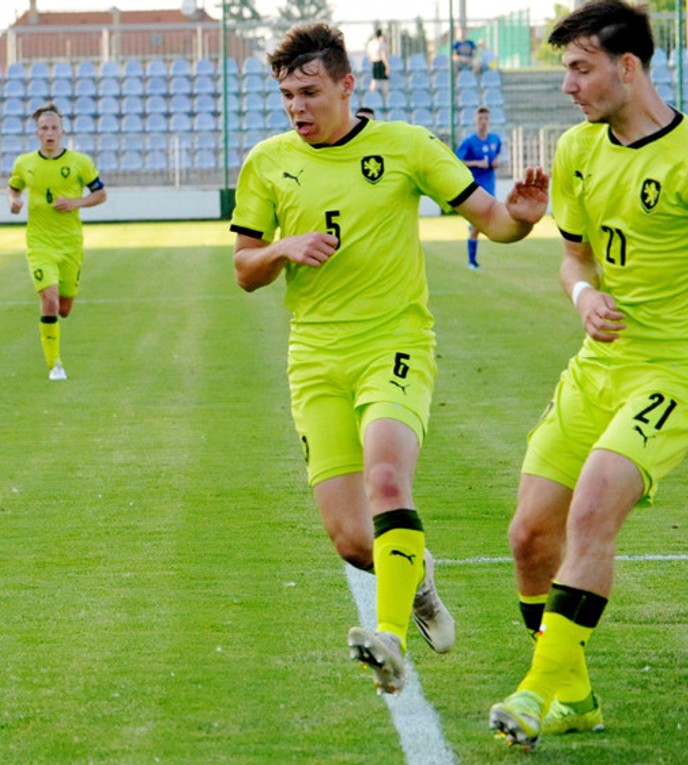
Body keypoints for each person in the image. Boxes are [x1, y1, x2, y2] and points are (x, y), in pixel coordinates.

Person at [231, 22, 549, 696]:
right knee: (351, 539)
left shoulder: (407, 146)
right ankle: (420, 582)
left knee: (386, 484)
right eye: (287, 95)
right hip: (315, 356)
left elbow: (491, 218)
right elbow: (244, 269)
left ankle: (390, 640)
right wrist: (282, 249)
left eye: (309, 92)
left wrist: (521, 219)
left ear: (348, 85)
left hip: (394, 344)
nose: (297, 107)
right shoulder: (266, 161)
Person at [489, 0, 688, 749]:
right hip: (596, 367)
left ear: (626, 66)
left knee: (593, 509)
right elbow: (574, 254)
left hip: (672, 371)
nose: (567, 85)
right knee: (529, 537)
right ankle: (574, 693)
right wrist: (584, 295)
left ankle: (539, 686)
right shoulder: (576, 149)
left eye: (579, 68)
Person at [7, 103, 107, 381]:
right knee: (49, 301)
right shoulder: (24, 163)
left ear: (62, 132)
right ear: (37, 133)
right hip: (39, 243)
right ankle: (55, 364)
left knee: (64, 308)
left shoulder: (80, 163)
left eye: (54, 128)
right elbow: (14, 186)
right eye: (44, 128)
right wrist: (14, 200)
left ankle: (54, 348)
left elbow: (100, 194)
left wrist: (76, 202)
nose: (49, 133)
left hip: (71, 243)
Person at [455, 106, 503, 269]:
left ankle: (472, 257)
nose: (483, 122)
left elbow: (497, 156)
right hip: (474, 190)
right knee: (477, 227)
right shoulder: (469, 142)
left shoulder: (495, 139)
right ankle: (472, 261)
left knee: (481, 224)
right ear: (475, 121)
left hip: (490, 188)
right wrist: (477, 164)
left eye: (486, 119)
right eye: (480, 119)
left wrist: (496, 162)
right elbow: (458, 161)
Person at [366, 28, 390, 100]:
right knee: (385, 82)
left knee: (374, 80)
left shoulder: (370, 43)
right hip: (381, 63)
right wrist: (387, 67)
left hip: (374, 63)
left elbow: (369, 55)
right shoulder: (381, 44)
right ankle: (386, 99)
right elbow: (383, 57)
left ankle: (370, 97)